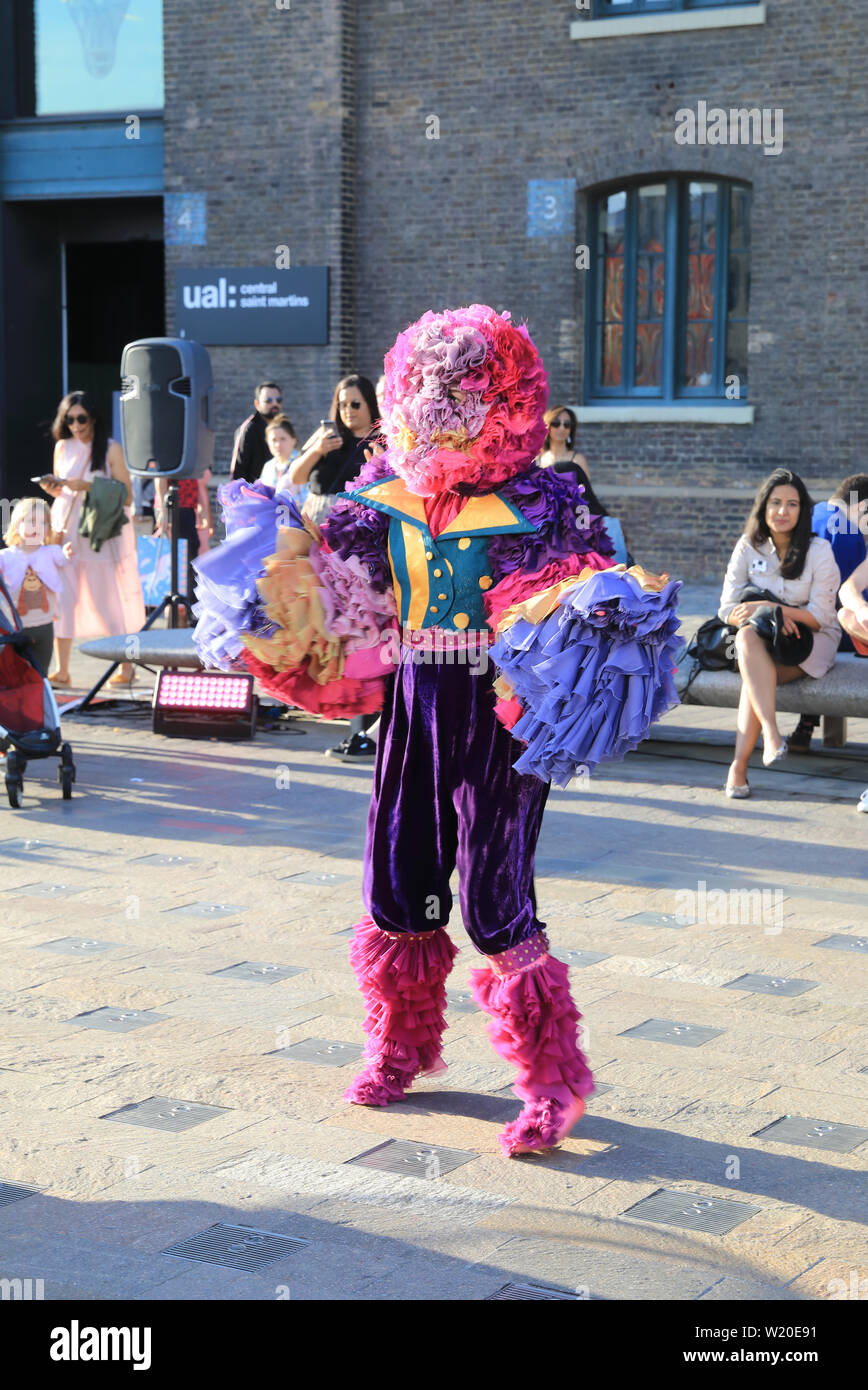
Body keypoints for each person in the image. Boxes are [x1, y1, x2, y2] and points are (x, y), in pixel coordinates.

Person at [192, 303, 681, 1156]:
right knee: (398, 875)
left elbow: (582, 587)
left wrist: (593, 604)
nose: (443, 408)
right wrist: (271, 554)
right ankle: (400, 1046)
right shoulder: (387, 494)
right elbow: (329, 564)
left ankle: (552, 1086)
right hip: (415, 700)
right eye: (431, 393)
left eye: (461, 394)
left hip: (496, 710)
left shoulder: (541, 498)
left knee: (497, 898)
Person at [718, 468, 841, 799]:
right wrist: (764, 614)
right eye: (775, 503)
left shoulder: (819, 551)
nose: (783, 512)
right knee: (747, 641)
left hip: (813, 641)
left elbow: (821, 617)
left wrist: (776, 610)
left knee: (756, 677)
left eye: (792, 504)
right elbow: (726, 608)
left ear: (803, 511)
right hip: (761, 639)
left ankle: (739, 768)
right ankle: (771, 734)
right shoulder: (748, 546)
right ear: (763, 507)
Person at [290, 374, 384, 761]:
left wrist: (379, 464)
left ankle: (369, 732)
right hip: (318, 546)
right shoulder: (326, 439)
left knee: (361, 634)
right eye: (343, 404)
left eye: (356, 404)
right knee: (334, 639)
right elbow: (295, 478)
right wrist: (315, 450)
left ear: (370, 406)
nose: (348, 411)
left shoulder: (381, 441)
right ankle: (356, 729)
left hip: (355, 551)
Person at [38, 390, 144, 686]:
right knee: (64, 599)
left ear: (94, 417)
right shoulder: (62, 447)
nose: (75, 425)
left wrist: (86, 485)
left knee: (107, 601)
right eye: (69, 419)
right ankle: (62, 670)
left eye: (81, 418)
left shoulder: (111, 449)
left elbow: (127, 495)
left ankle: (126, 667)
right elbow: (64, 491)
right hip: (66, 530)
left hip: (99, 534)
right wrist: (55, 489)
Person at [789, 474, 868, 748]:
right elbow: (840, 599)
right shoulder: (845, 530)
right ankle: (820, 728)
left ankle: (807, 722)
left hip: (790, 624)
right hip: (827, 630)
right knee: (841, 625)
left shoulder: (808, 515)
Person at [538, 405, 630, 564]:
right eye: (556, 423)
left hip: (574, 522)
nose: (562, 428)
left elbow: (586, 496)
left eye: (567, 424)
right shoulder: (537, 460)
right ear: (548, 426)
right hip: (546, 522)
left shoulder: (577, 459)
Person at [0, 498, 71, 675]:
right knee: (15, 672)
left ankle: (40, 700)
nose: (37, 527)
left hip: (44, 626)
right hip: (16, 628)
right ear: (17, 525)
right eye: (31, 521)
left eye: (43, 523)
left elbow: (62, 559)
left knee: (41, 672)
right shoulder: (6, 556)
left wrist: (67, 553)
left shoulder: (51, 552)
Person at [153, 470, 213, 626]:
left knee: (191, 559)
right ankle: (184, 610)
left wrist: (202, 510)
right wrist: (163, 511)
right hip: (174, 507)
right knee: (180, 563)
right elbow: (160, 478)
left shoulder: (192, 451)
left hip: (188, 508)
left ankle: (189, 609)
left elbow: (196, 481)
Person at [230, 382, 284, 483]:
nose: (274, 404)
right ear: (257, 404)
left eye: (278, 400)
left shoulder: (283, 427)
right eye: (268, 401)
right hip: (255, 494)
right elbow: (237, 471)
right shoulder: (248, 429)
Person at [260, 415, 305, 504]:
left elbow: (308, 501)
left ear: (293, 440)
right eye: (273, 440)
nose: (278, 445)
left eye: (283, 439)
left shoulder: (303, 463)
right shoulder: (268, 466)